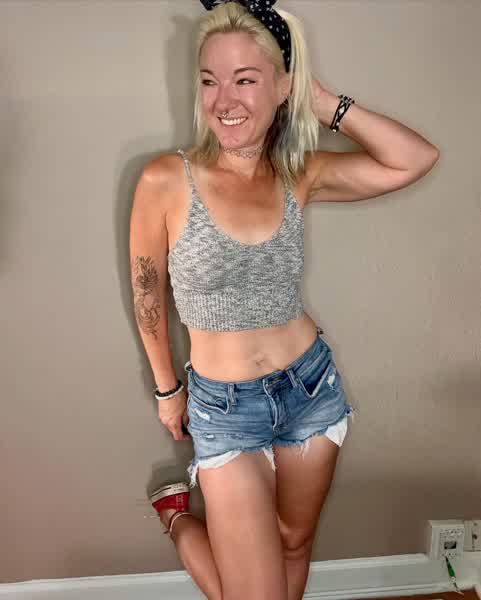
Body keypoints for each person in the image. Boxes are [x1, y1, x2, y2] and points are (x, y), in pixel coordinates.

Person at [129, 1, 440, 598]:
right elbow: (148, 293)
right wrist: (168, 390)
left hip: (309, 390)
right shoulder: (166, 179)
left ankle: (174, 511)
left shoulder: (297, 172)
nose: (224, 101)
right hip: (224, 408)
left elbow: (414, 159)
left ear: (280, 87)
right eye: (210, 81)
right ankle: (177, 518)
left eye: (246, 80)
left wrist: (321, 103)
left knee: (294, 542)